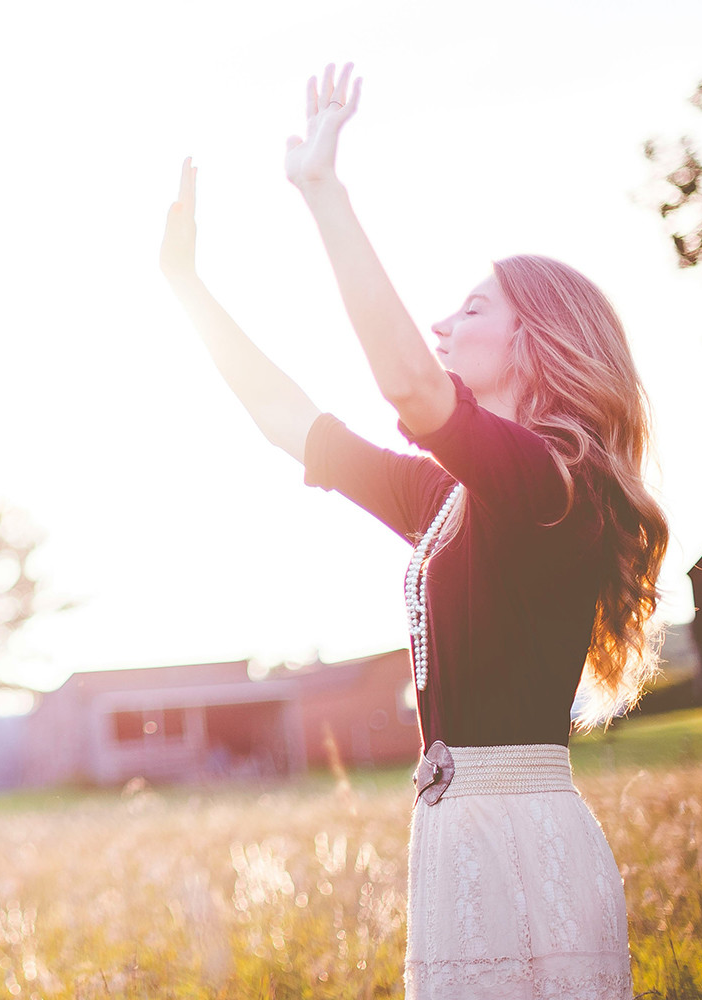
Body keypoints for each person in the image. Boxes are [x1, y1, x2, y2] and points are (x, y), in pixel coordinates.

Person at [157, 63, 664, 999]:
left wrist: (323, 191)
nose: (441, 324)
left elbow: (407, 388)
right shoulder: (452, 497)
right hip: (456, 835)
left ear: (537, 343)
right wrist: (187, 288)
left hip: (522, 842)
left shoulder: (554, 485)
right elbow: (291, 421)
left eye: (473, 310)